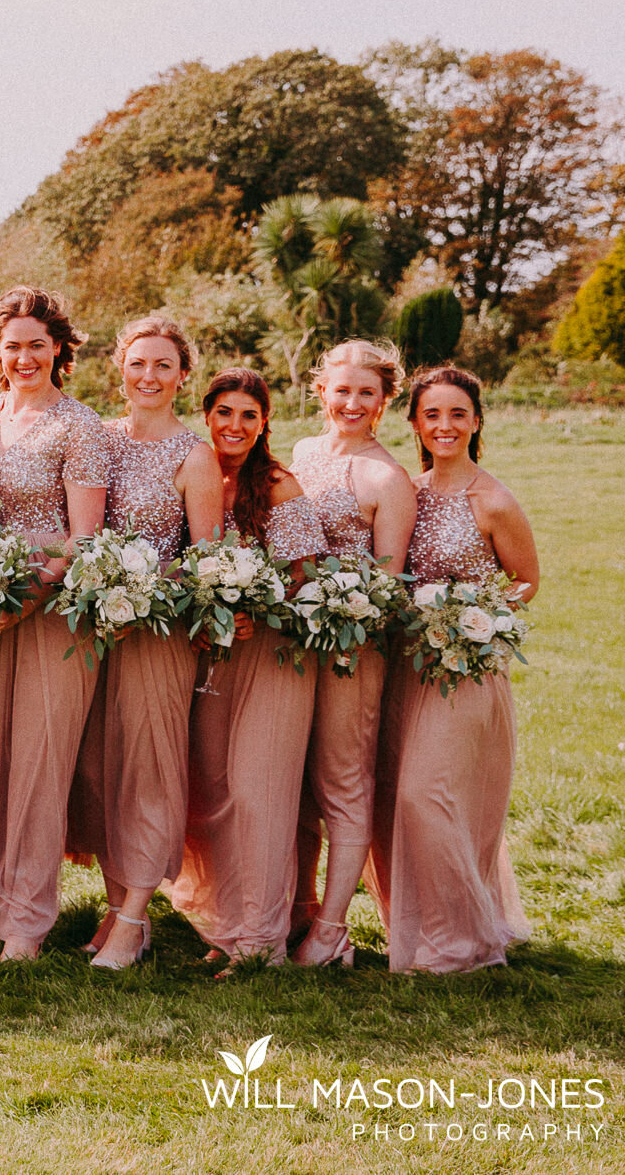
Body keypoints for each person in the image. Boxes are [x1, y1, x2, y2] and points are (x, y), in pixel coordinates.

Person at [0, 286, 110, 961]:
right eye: (14, 346)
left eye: (38, 344)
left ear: (58, 348)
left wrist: (26, 597)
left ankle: (29, 922)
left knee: (40, 760)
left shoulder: (79, 425)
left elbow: (84, 538)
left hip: (54, 613)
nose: (25, 356)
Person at [369, 367, 538, 973]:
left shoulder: (491, 500)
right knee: (391, 795)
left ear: (475, 421)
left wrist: (474, 615)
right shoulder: (405, 492)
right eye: (432, 414)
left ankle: (465, 942)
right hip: (402, 669)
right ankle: (422, 928)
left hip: (465, 670)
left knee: (427, 794)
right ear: (414, 423)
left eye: (457, 414)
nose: (444, 425)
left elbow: (525, 583)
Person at [69, 318, 221, 970]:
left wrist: (146, 592)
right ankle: (113, 903)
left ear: (183, 375)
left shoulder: (196, 456)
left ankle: (135, 918)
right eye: (138, 364)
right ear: (119, 369)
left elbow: (205, 560)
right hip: (95, 632)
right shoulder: (97, 439)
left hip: (160, 634)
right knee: (99, 771)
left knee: (150, 773)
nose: (149, 377)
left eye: (163, 365)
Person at [168, 369, 326, 973]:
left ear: (265, 424)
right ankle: (229, 924)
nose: (235, 426)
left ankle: (261, 941)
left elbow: (301, 574)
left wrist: (254, 606)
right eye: (224, 413)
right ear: (206, 415)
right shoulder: (197, 472)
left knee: (259, 792)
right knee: (213, 790)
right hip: (210, 652)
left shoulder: (279, 486)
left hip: (271, 654)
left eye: (249, 416)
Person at [285, 338, 416, 967]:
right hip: (289, 646)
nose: (353, 403)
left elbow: (388, 585)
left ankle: (335, 928)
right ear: (321, 392)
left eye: (368, 393)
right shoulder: (304, 453)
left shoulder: (388, 478)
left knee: (342, 780)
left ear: (386, 400)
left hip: (350, 650)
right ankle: (298, 907)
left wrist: (337, 607)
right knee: (297, 779)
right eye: (342, 390)